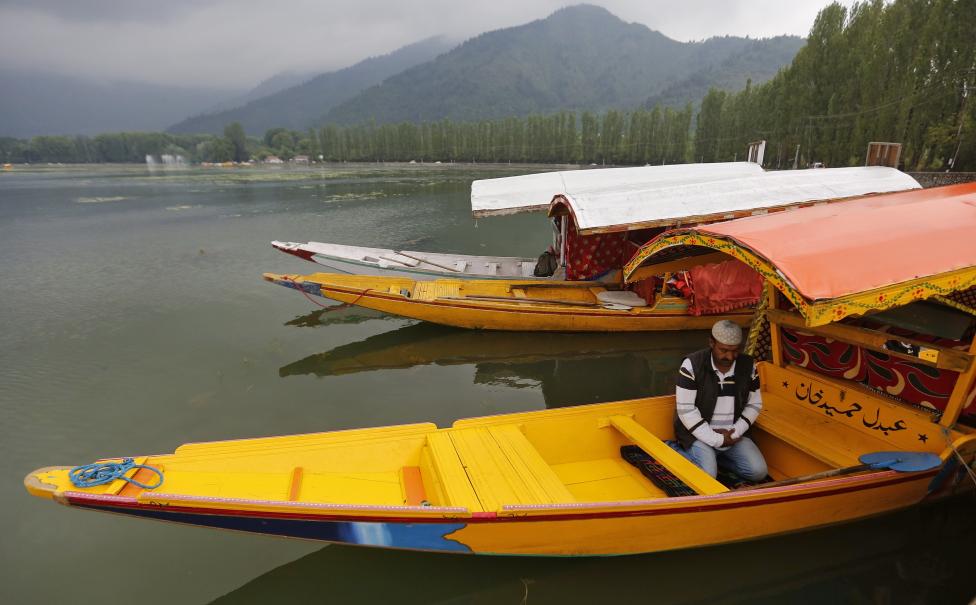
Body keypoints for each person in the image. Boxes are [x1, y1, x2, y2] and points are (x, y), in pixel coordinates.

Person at [671, 319, 768, 482]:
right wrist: (717, 440)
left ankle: (715, 459)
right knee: (708, 476)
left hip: (732, 435)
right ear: (711, 343)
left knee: (759, 472)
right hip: (698, 435)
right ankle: (676, 450)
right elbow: (686, 410)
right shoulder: (692, 365)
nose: (729, 356)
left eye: (735, 351)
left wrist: (735, 432)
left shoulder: (748, 366)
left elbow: (754, 404)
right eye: (723, 350)